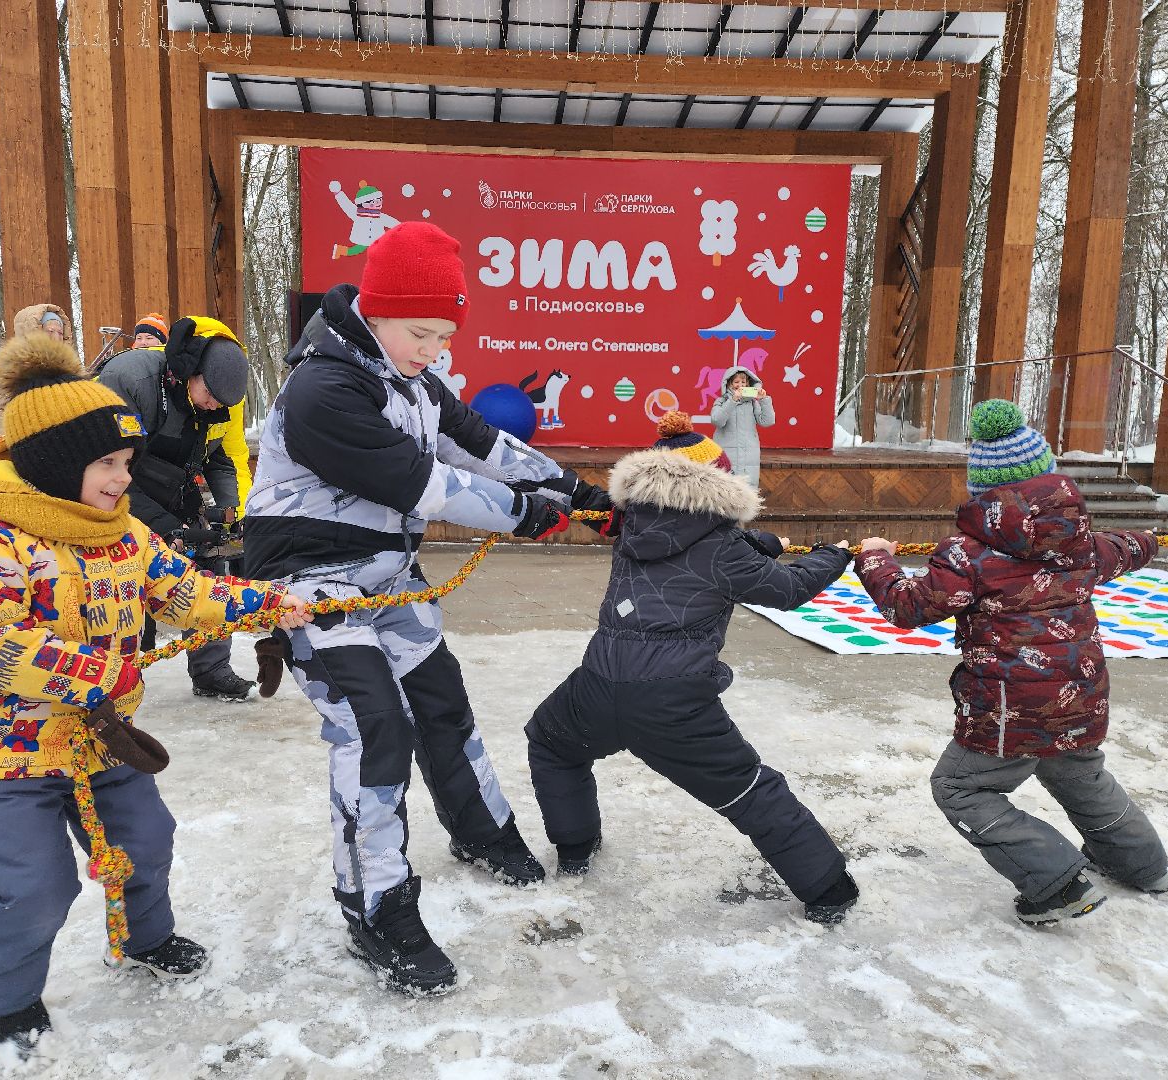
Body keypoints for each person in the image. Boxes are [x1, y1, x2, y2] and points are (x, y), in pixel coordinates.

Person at [242, 221, 611, 995]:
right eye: (421, 333)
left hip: (388, 579)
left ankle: (481, 830)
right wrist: (525, 514)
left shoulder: (413, 381)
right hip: (313, 586)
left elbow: (483, 446)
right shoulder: (323, 389)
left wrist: (578, 492)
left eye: (445, 337)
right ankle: (376, 904)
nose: (434, 351)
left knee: (443, 702)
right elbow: (423, 484)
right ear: (375, 310)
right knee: (375, 726)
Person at [0, 333, 311, 1061]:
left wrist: (265, 602)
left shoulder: (125, 536)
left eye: (127, 463)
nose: (121, 478)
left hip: (103, 739)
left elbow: (187, 591)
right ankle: (5, 999)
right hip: (8, 750)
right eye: (106, 463)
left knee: (145, 841)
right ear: (54, 463)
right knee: (36, 885)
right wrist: (92, 673)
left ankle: (144, 937)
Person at [524, 411, 860, 924]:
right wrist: (836, 554)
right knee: (747, 788)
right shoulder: (723, 547)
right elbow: (788, 589)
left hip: (597, 683)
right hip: (672, 702)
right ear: (718, 485)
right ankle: (829, 889)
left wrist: (759, 544)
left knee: (552, 743)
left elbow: (691, 548)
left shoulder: (630, 526)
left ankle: (574, 847)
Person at [854, 399, 1168, 926]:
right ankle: (1145, 868)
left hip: (1009, 707)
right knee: (1080, 776)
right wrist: (1149, 542)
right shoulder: (1080, 544)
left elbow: (908, 606)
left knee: (961, 787)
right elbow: (1124, 547)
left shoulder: (967, 555)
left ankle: (1056, 882)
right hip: (1080, 694)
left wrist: (875, 557)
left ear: (982, 490)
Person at [98, 316, 258, 702]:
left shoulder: (211, 401)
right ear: (191, 372)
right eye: (210, 395)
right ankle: (108, 676)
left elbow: (217, 459)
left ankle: (211, 670)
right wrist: (165, 527)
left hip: (173, 487)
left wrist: (229, 508)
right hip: (111, 493)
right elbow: (108, 470)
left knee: (207, 565)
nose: (214, 405)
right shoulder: (129, 379)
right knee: (119, 581)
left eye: (222, 402)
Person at [0, 302, 72, 438]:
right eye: (50, 331)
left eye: (60, 333)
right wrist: (4, 444)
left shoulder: (70, 366)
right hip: (26, 439)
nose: (56, 337)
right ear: (34, 331)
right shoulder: (12, 365)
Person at [709, 364, 775, 488]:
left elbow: (767, 421)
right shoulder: (721, 401)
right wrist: (732, 401)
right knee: (726, 488)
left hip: (749, 455)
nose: (740, 385)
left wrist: (763, 400)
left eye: (743, 382)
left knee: (748, 489)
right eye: (736, 382)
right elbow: (717, 421)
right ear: (729, 384)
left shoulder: (752, 403)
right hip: (727, 454)